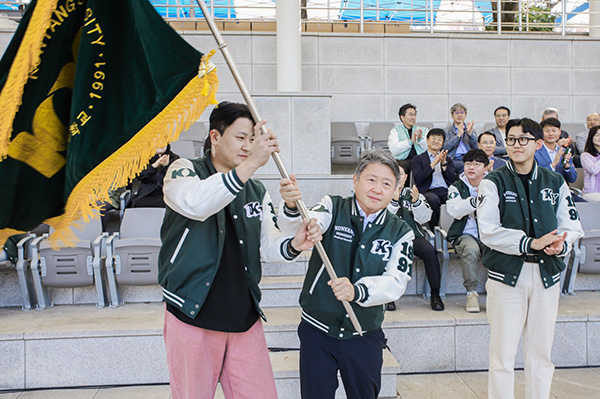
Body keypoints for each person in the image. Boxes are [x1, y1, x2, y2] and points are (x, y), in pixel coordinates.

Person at [158, 102, 320, 399]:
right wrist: (251, 164)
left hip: (243, 317)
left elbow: (268, 245)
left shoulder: (256, 190)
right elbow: (196, 203)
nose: (248, 146)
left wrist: (295, 243)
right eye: (241, 137)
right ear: (215, 137)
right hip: (192, 314)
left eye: (253, 139)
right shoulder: (183, 171)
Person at [279, 150, 415, 399]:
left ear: (396, 190)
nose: (377, 189)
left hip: (364, 333)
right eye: (371, 179)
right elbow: (313, 219)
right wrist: (300, 214)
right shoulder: (333, 206)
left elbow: (396, 281)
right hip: (317, 330)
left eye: (387, 184)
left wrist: (358, 291)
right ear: (355, 180)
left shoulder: (401, 231)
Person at [478, 118, 584, 399]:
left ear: (538, 143)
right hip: (507, 277)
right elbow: (488, 231)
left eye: (523, 139)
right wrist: (529, 243)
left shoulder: (555, 181)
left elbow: (572, 227)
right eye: (511, 139)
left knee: (541, 353)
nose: (516, 145)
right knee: (502, 355)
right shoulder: (493, 182)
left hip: (547, 276)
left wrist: (560, 245)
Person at [388, 163, 444, 311]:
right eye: (394, 173)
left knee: (430, 251)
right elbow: (383, 219)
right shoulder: (383, 193)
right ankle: (389, 297)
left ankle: (435, 294)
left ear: (406, 177)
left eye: (400, 174)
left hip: (413, 237)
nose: (397, 177)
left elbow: (424, 218)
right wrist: (393, 201)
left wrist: (417, 202)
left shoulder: (413, 194)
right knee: (387, 254)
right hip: (391, 238)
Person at [446, 149, 488, 313]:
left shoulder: (492, 185)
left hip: (488, 233)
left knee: (498, 250)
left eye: (477, 164)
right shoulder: (456, 187)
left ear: (486, 168)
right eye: (468, 164)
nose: (471, 167)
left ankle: (495, 293)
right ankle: (471, 293)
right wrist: (474, 200)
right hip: (465, 233)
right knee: (470, 249)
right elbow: (455, 211)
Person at [412, 129, 456, 230]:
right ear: (427, 140)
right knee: (433, 200)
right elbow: (418, 179)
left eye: (440, 139)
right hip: (428, 191)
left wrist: (444, 164)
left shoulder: (448, 159)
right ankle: (434, 230)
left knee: (456, 199)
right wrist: (433, 164)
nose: (436, 141)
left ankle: (453, 231)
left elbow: (453, 180)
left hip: (445, 190)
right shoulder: (418, 159)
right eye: (433, 138)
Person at [387, 103, 428, 184]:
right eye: (410, 115)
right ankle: (402, 192)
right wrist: (410, 142)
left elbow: (429, 147)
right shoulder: (395, 131)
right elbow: (394, 149)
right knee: (402, 168)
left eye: (414, 115)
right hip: (403, 160)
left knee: (423, 165)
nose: (413, 118)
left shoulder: (423, 130)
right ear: (402, 117)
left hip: (419, 159)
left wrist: (420, 140)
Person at [535, 118, 577, 185]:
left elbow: (573, 179)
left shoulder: (564, 151)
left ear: (559, 132)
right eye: (547, 131)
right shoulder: (535, 152)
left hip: (562, 191)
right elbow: (535, 176)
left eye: (554, 130)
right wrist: (553, 164)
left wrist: (566, 167)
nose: (551, 134)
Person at [443, 103, 478, 174]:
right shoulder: (446, 131)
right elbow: (445, 148)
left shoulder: (470, 129)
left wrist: (470, 134)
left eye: (462, 112)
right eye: (456, 113)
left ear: (465, 115)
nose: (459, 115)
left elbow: (476, 147)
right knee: (464, 166)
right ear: (452, 116)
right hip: (453, 159)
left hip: (469, 158)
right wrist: (458, 136)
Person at [581, 126, 600, 203]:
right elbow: (594, 170)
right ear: (591, 138)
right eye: (597, 135)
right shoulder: (585, 156)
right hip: (591, 193)